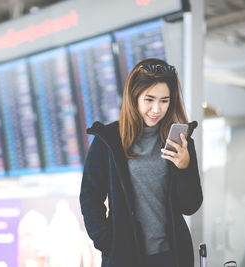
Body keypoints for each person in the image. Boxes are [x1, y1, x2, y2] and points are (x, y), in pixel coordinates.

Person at [79, 58, 203, 267]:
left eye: (164, 100)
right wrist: (107, 240)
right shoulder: (108, 141)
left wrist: (184, 168)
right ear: (134, 97)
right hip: (125, 258)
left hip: (171, 258)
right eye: (149, 99)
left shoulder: (180, 142)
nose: (156, 109)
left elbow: (190, 206)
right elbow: (90, 197)